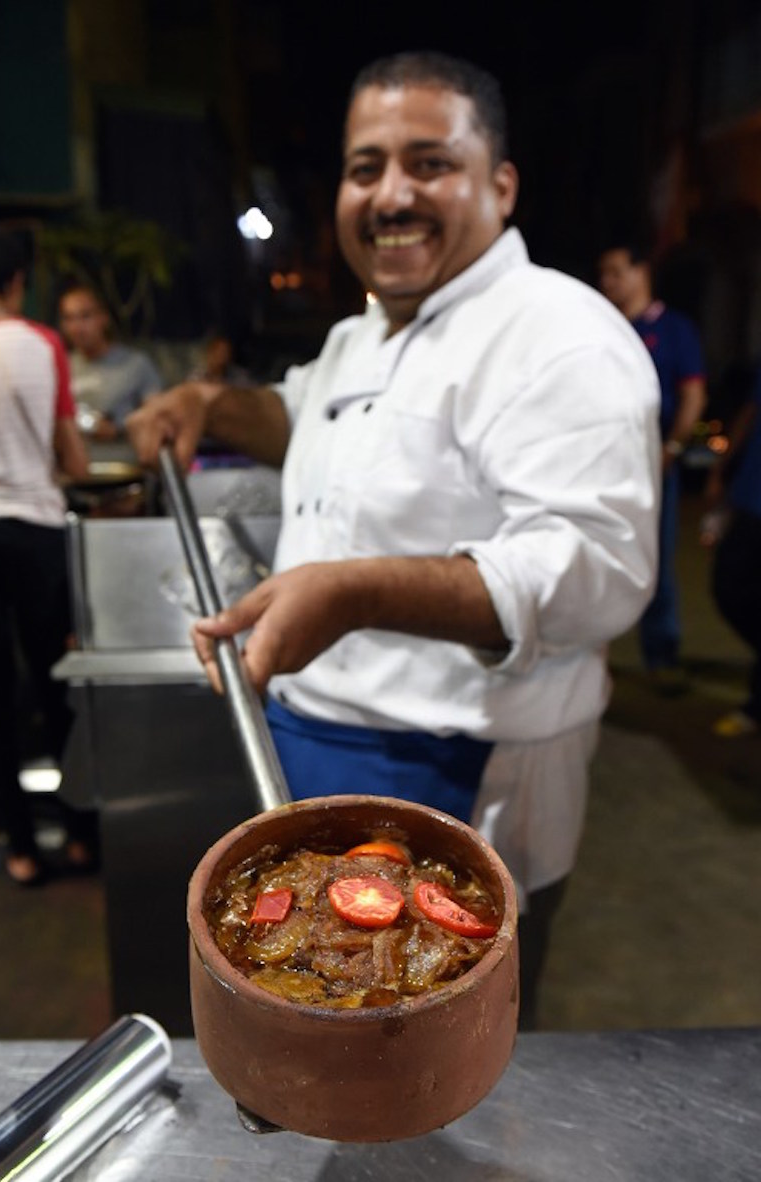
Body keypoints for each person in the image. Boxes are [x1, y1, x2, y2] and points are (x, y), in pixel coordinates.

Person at [128, 52, 660, 1025]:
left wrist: (354, 590)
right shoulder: (359, 334)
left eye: (429, 163)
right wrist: (209, 402)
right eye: (364, 168)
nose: (390, 195)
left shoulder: (559, 334)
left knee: (439, 1048)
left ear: (501, 184)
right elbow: (306, 419)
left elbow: (599, 569)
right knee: (304, 1007)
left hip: (458, 765)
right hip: (307, 742)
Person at [0, 226, 99, 885]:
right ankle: (80, 837)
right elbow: (75, 459)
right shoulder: (44, 344)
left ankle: (19, 848)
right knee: (56, 684)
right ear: (18, 281)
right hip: (38, 527)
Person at [599, 241, 707, 692]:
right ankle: (589, 655)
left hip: (653, 464)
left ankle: (661, 654)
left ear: (641, 272)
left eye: (615, 272)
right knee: (594, 557)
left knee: (655, 560)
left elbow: (693, 394)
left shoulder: (672, 328)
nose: (607, 282)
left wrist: (671, 448)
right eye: (603, 274)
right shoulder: (600, 325)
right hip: (602, 462)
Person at [701, 364, 761, 737]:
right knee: (730, 587)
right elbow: (751, 410)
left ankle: (756, 704)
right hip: (752, 495)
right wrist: (721, 469)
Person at [58, 282, 162, 442]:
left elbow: (158, 416)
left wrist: (119, 429)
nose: (77, 327)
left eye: (85, 316)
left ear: (104, 317)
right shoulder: (61, 367)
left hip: (122, 453)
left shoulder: (136, 365)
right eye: (69, 318)